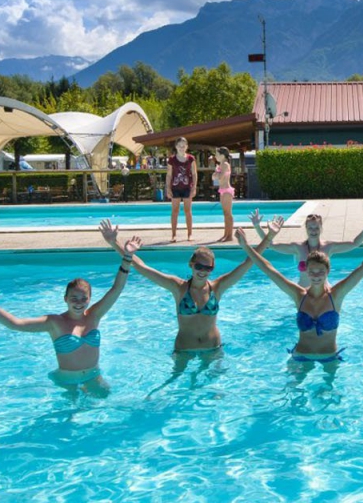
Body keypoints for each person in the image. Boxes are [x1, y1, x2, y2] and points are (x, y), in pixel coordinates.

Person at [0, 240, 139, 396]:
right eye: (74, 298)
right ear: (65, 299)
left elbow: (117, 288)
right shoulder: (55, 322)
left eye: (83, 298)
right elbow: (15, 324)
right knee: (70, 419)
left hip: (94, 376)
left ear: (89, 299)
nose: (79, 303)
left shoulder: (94, 316)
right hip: (67, 380)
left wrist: (127, 257)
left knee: (105, 400)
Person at [100, 218, 279, 355]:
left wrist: (269, 236)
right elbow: (141, 267)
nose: (202, 271)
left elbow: (249, 262)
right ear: (191, 265)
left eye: (207, 268)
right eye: (199, 266)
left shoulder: (217, 287)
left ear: (212, 269)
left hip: (213, 350)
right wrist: (114, 243)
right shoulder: (178, 288)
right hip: (184, 351)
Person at [234, 221, 363, 364]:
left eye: (321, 272)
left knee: (331, 397)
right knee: (291, 396)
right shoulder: (299, 295)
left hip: (330, 357)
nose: (316, 276)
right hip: (300, 356)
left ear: (328, 271)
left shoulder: (336, 295)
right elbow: (269, 269)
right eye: (312, 271)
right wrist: (245, 246)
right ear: (307, 272)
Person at [250, 208, 363, 287]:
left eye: (316, 227)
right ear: (306, 229)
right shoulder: (298, 248)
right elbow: (271, 245)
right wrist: (257, 226)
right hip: (303, 294)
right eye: (310, 228)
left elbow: (354, 244)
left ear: (321, 228)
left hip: (324, 294)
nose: (313, 230)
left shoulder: (329, 247)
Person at [166, 136, 198, 242]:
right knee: (175, 211)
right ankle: (173, 235)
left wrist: (194, 188)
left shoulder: (191, 159)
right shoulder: (172, 159)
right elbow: (169, 175)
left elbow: (194, 174)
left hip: (187, 187)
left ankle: (190, 234)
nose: (182, 148)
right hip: (175, 188)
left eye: (184, 146)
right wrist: (168, 188)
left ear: (187, 147)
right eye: (180, 146)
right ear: (176, 146)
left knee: (187, 211)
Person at [213, 147, 235, 243]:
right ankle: (226, 234)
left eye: (217, 154)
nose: (215, 156)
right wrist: (216, 175)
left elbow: (219, 177)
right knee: (225, 213)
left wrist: (216, 174)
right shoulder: (221, 165)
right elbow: (215, 177)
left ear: (222, 155)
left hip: (226, 190)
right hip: (222, 190)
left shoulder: (225, 164)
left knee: (228, 213)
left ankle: (230, 235)